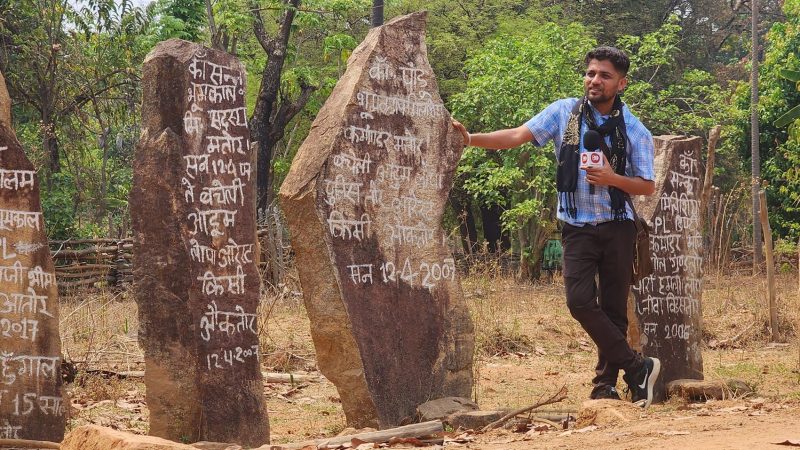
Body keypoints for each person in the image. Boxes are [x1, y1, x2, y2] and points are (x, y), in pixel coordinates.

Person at [452, 46, 662, 407]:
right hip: (576, 225)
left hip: (617, 226)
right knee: (579, 301)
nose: (595, 80)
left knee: (613, 309)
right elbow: (517, 135)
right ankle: (637, 367)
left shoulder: (634, 130)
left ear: (621, 84)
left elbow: (645, 185)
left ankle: (605, 387)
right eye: (591, 73)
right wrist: (470, 139)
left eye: (605, 75)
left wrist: (612, 177)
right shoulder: (564, 112)